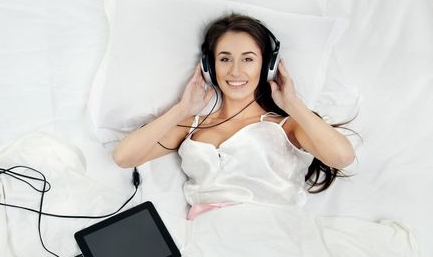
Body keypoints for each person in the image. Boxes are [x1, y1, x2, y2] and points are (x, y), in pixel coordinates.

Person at [112, 12, 355, 219]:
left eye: (248, 59)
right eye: (225, 59)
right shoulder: (193, 126)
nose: (235, 71)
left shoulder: (288, 125)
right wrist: (182, 109)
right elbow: (124, 157)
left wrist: (293, 104)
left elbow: (342, 156)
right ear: (209, 66)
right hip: (205, 243)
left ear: (267, 66)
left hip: (275, 238)